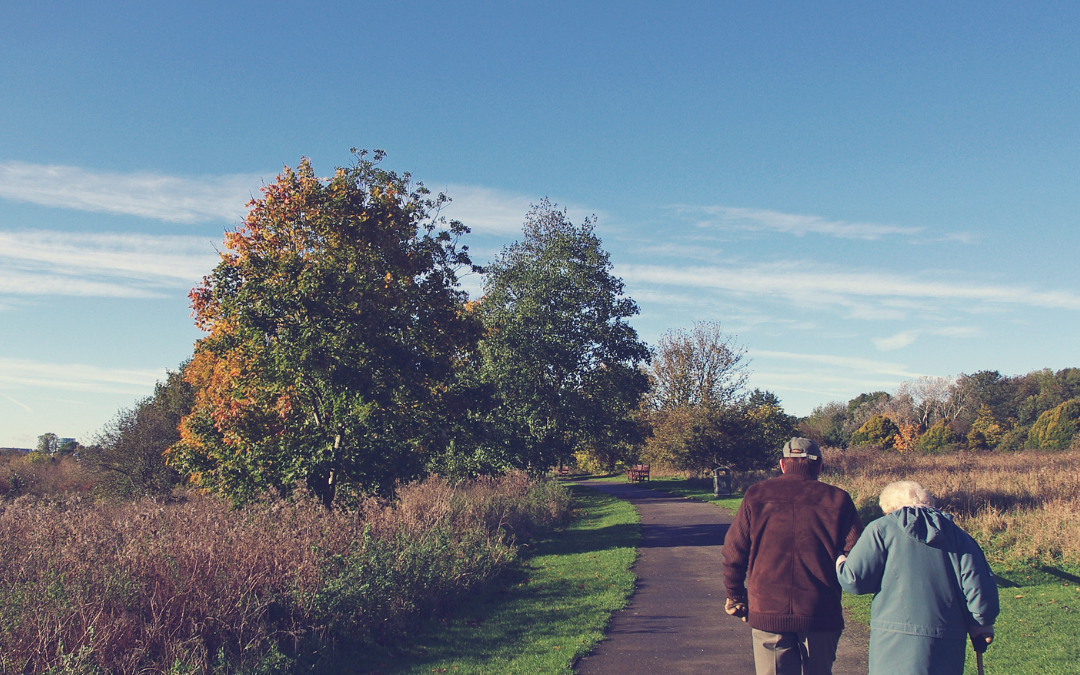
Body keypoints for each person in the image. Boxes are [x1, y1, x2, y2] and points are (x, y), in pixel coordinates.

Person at [723, 437, 864, 675]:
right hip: (820, 610)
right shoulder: (838, 499)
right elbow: (857, 555)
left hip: (768, 609)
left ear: (782, 464)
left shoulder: (756, 494)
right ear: (819, 465)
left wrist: (735, 596)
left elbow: (733, 551)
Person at [836, 481, 999, 675]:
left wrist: (840, 560)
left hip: (893, 640)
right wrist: (982, 624)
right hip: (947, 639)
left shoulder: (881, 528)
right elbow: (979, 586)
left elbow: (855, 580)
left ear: (889, 508)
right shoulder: (959, 535)